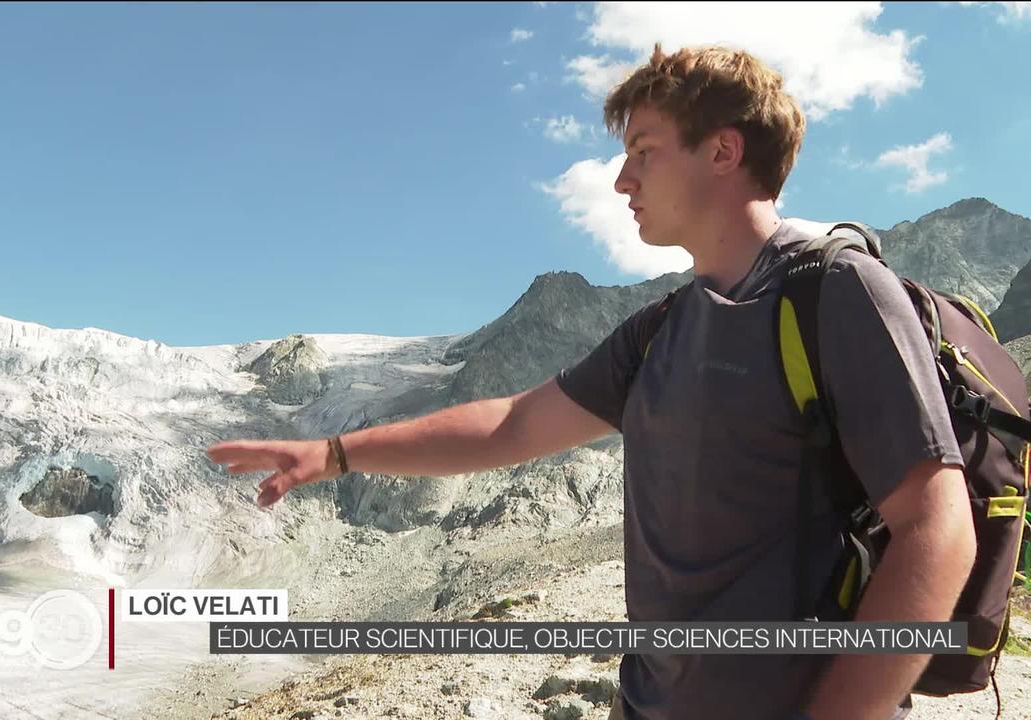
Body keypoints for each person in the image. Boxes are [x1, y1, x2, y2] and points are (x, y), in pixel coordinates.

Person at [206, 43, 976, 720]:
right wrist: (338, 453)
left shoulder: (836, 293)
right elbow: (512, 425)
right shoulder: (661, 330)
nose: (620, 180)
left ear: (722, 151)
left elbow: (937, 532)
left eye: (644, 150)